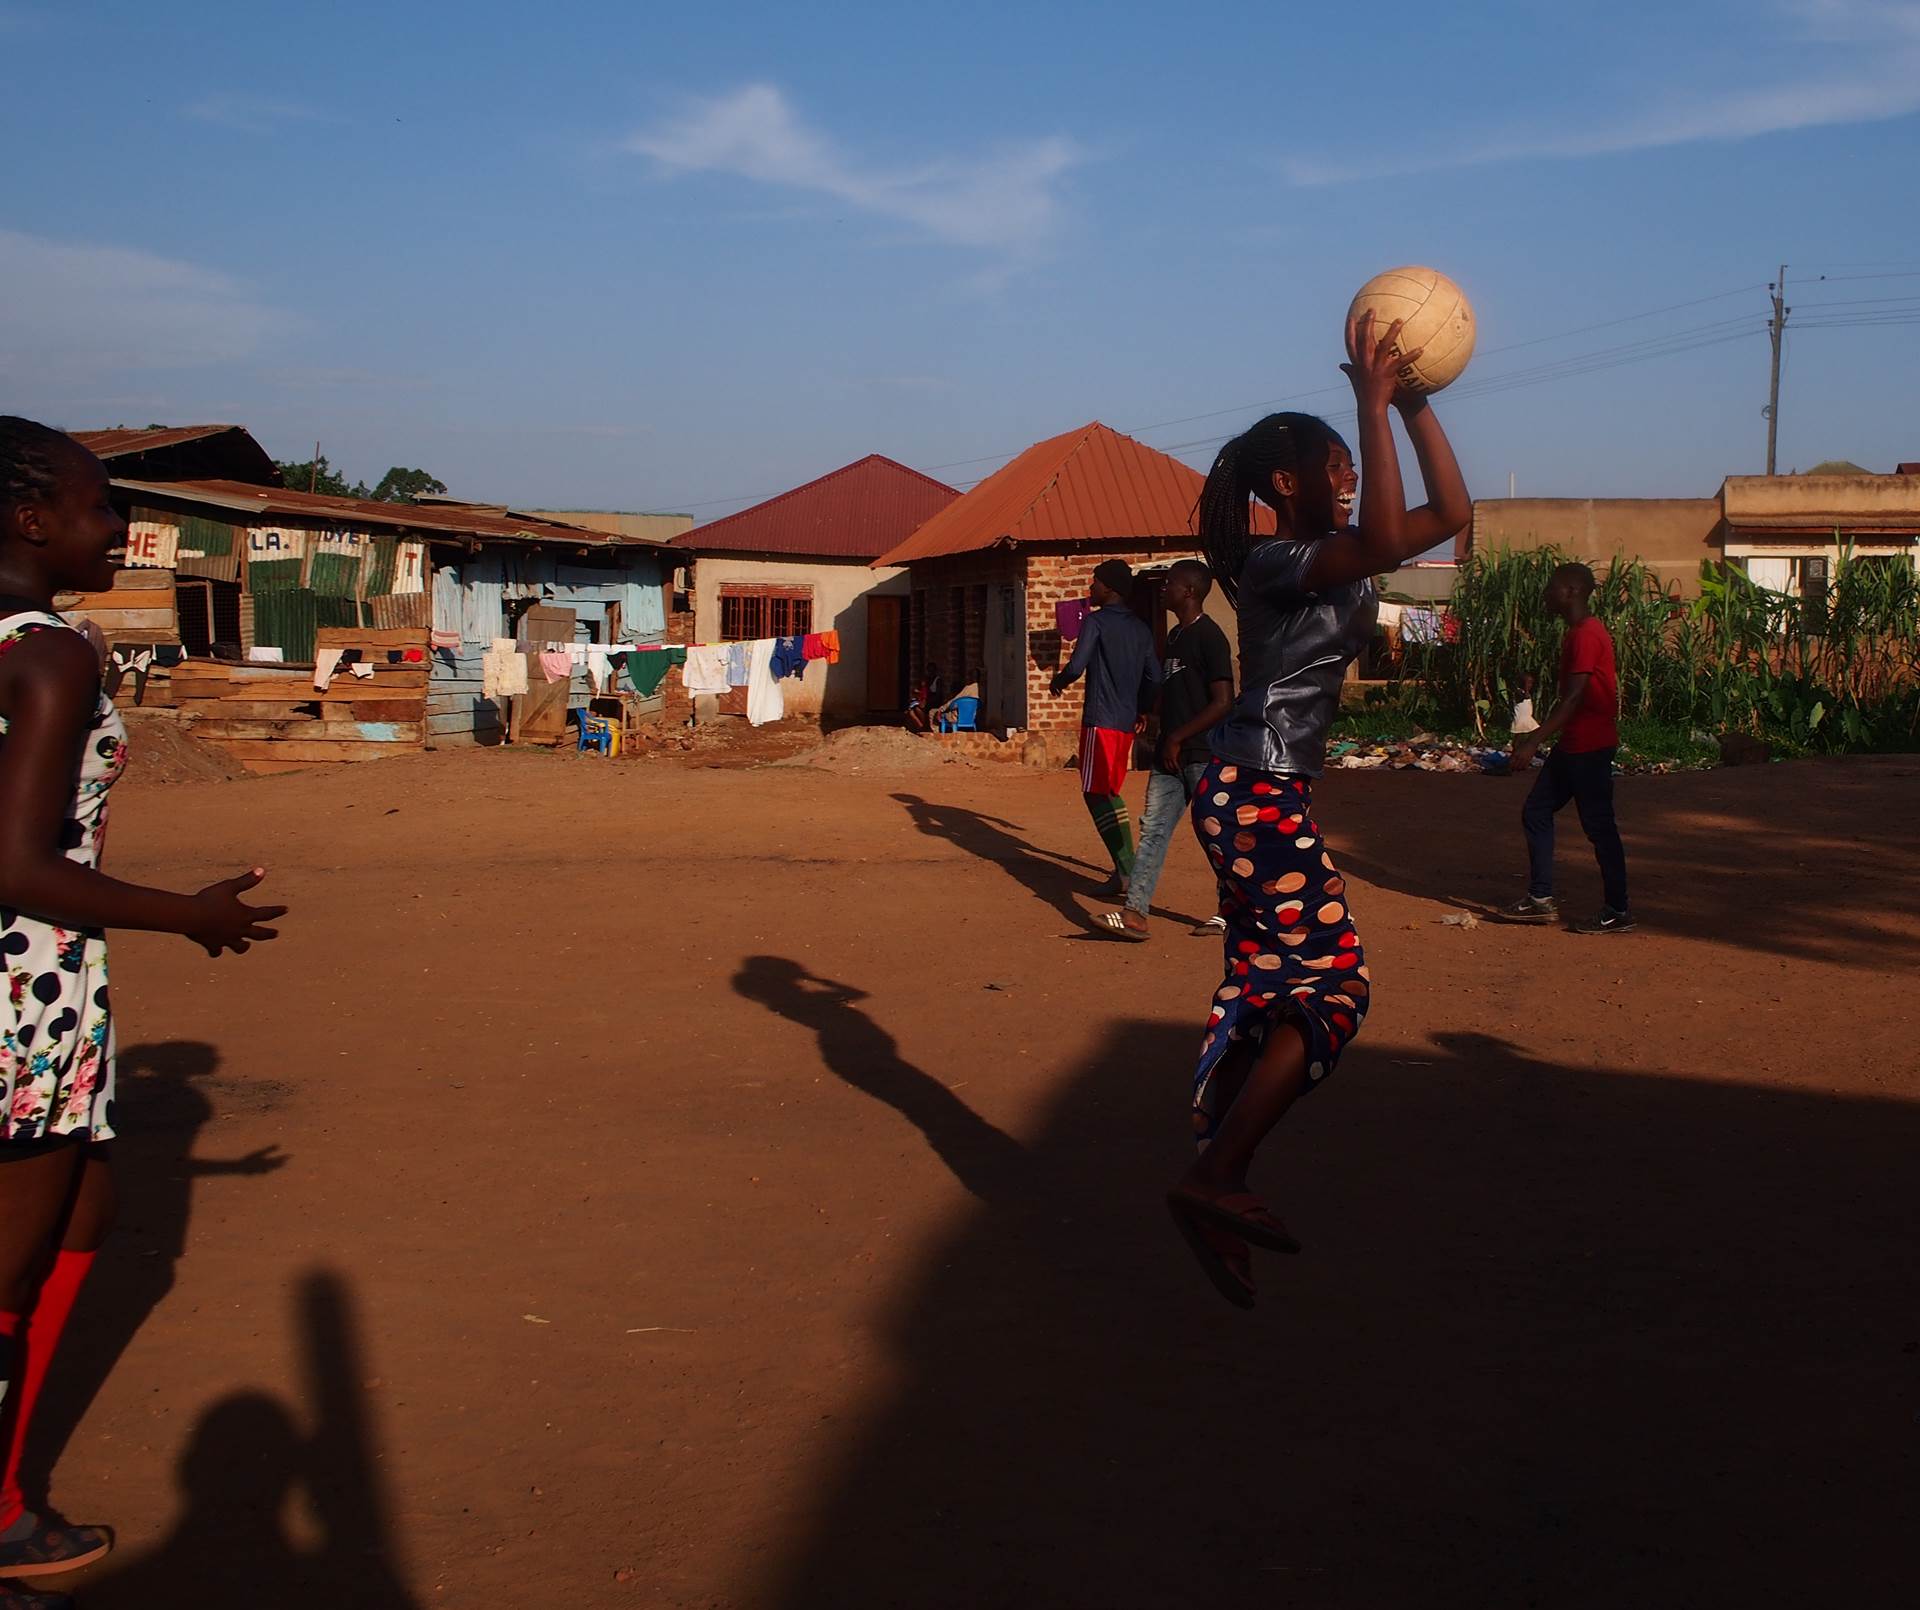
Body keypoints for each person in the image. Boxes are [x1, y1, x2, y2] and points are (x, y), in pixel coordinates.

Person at [0, 417, 287, 1602]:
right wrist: (191, 914)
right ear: (31, 520)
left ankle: (10, 1499)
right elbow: (16, 861)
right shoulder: (54, 653)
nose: (124, 529)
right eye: (102, 506)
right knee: (9, 1271)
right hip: (24, 982)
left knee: (86, 1209)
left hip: (45, 980)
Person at [1162, 315, 1471, 1308]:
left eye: (1353, 465)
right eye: (1336, 467)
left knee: (1275, 987)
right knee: (1335, 987)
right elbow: (1383, 533)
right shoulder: (1271, 562)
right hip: (1252, 787)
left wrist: (1413, 408)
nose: (1349, 479)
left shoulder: (1326, 552)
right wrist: (1370, 403)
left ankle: (1222, 1186)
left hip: (1253, 788)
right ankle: (1216, 1174)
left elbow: (1448, 513)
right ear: (1284, 484)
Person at [1095, 561, 1233, 941]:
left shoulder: (1210, 637)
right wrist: (1151, 716)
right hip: (1169, 757)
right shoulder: (1174, 637)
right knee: (1153, 830)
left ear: (1189, 591)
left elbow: (1223, 702)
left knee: (1216, 836)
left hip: (1203, 755)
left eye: (1169, 583)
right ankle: (1135, 913)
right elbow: (1177, 691)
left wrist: (1178, 737)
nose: (1163, 588)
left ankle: (1231, 912)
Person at [1503, 563, 1632, 934]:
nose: (1546, 594)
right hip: (1575, 744)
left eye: (1552, 588)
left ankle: (1617, 910)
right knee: (1537, 811)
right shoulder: (1579, 633)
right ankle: (1540, 899)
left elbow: (1574, 698)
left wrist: (1532, 740)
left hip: (1588, 746)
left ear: (1572, 591)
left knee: (1599, 828)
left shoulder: (1586, 634)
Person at [1048, 561, 1161, 897]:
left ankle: (1128, 868)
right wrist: (1142, 707)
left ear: (1110, 588)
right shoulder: (1141, 629)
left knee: (1097, 793)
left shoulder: (1095, 622)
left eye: (1094, 583)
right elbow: (1154, 676)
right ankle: (1123, 869)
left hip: (1100, 720)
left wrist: (1059, 681)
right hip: (1125, 722)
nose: (1090, 588)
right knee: (1107, 789)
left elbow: (1078, 664)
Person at [903, 664, 945, 733]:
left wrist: (926, 700)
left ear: (935, 671)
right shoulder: (927, 679)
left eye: (932, 670)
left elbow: (938, 695)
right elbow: (923, 691)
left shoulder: (938, 680)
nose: (930, 672)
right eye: (929, 670)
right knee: (911, 711)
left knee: (917, 707)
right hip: (924, 700)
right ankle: (921, 726)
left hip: (933, 701)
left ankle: (924, 726)